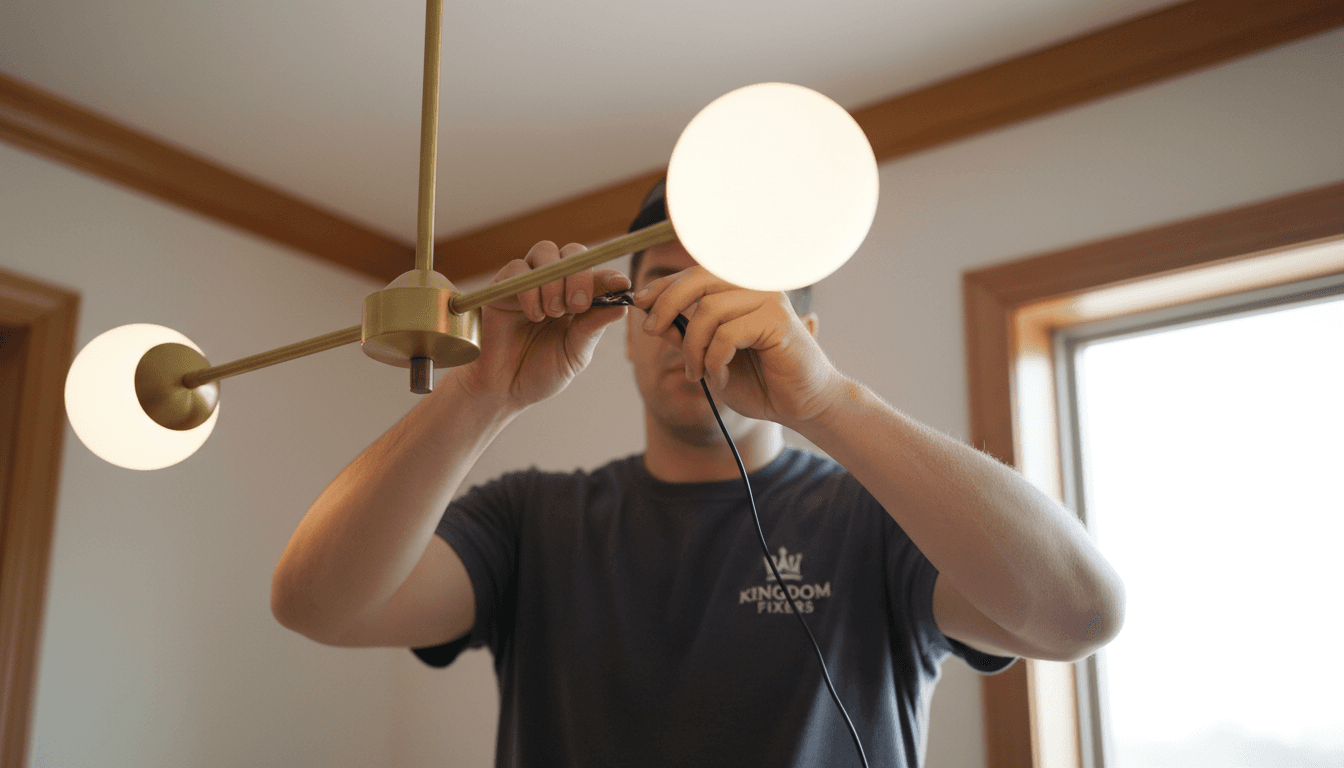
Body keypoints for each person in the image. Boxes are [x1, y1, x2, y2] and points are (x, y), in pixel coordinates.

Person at [270, 181, 1125, 767]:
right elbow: (314, 603)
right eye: (666, 289)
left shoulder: (878, 520)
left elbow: (1078, 615)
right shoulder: (534, 519)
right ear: (625, 324)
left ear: (802, 331)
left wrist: (828, 403)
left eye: (734, 292)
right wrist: (479, 392)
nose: (691, 319)